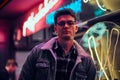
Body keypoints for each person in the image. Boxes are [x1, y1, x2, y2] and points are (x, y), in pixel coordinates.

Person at [19, 8, 96, 80]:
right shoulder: (38, 52)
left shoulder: (86, 61)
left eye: (70, 23)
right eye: (62, 23)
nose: (66, 26)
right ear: (55, 29)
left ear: (76, 28)